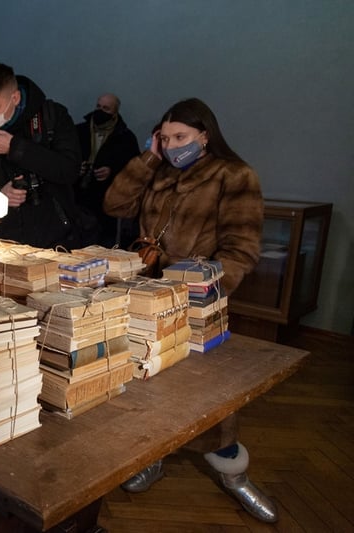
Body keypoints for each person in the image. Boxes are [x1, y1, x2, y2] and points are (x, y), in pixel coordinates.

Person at [104, 98, 276, 523]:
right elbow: (115, 205)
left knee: (209, 393)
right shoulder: (160, 170)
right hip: (145, 292)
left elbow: (240, 250)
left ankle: (233, 471)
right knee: (148, 377)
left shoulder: (234, 175)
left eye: (180, 137)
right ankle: (151, 456)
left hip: (198, 298)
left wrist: (199, 292)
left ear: (205, 135)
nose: (172, 145)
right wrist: (148, 158)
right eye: (164, 138)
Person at [0, 62, 95, 249]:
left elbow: (69, 170)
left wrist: (16, 148)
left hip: (55, 237)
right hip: (1, 241)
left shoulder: (52, 117)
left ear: (15, 98)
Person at [74, 93, 139, 248]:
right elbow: (66, 156)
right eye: (98, 106)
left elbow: (133, 169)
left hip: (106, 202)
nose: (100, 111)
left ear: (115, 112)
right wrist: (76, 167)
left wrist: (112, 171)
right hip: (78, 197)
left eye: (106, 108)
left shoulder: (125, 137)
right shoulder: (79, 131)